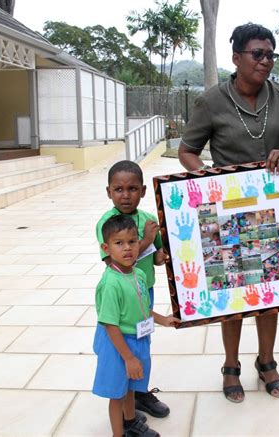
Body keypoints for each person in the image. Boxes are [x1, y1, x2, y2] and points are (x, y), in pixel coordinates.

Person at [178, 23, 279, 403]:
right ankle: (230, 365)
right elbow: (188, 150)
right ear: (236, 58)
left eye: (271, 55)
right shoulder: (211, 101)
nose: (266, 62)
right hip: (228, 212)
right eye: (258, 54)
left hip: (275, 209)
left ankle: (266, 362)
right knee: (232, 294)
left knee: (270, 290)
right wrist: (206, 178)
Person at [92, 215, 180, 436]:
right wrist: (129, 358)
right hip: (118, 345)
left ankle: (131, 422)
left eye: (132, 242)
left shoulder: (138, 273)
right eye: (119, 243)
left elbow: (142, 308)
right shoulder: (110, 284)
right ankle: (118, 433)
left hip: (138, 339)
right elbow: (110, 325)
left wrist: (164, 320)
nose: (128, 248)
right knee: (117, 393)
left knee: (131, 387)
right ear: (106, 247)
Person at [96, 160, 170, 418]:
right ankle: (129, 393)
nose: (125, 195)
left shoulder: (149, 219)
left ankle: (138, 392)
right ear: (109, 192)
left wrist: (169, 253)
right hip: (123, 296)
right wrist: (146, 240)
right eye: (118, 189)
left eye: (132, 188)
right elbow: (112, 263)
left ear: (143, 191)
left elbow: (158, 258)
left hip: (144, 289)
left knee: (142, 345)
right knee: (124, 345)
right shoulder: (107, 223)